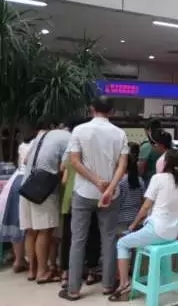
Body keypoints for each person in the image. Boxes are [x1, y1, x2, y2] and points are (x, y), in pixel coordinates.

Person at [59, 96, 129, 301]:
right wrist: (109, 188)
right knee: (109, 238)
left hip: (83, 192)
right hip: (111, 195)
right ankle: (108, 285)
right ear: (112, 111)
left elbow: (74, 161)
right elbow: (122, 165)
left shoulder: (79, 130)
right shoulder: (119, 133)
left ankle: (73, 289)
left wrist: (96, 181)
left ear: (91, 109)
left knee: (78, 239)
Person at [108, 149, 178, 301]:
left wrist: (133, 225)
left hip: (157, 230)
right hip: (172, 232)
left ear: (165, 163)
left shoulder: (158, 178)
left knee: (122, 243)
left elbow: (145, 207)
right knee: (137, 237)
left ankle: (124, 284)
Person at [19, 116, 69, 284]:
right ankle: (42, 272)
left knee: (30, 230)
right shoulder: (68, 137)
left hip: (27, 184)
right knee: (45, 230)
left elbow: (26, 160)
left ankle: (32, 271)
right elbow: (63, 167)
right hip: (44, 191)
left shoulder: (41, 136)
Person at [59, 118, 102, 289]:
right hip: (91, 196)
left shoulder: (70, 152)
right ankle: (91, 271)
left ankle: (66, 274)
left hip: (70, 199)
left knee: (69, 237)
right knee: (92, 234)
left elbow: (64, 179)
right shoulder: (96, 153)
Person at [0, 132, 35, 274]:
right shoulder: (38, 143)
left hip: (14, 182)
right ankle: (33, 264)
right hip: (29, 181)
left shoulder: (22, 145)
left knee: (16, 222)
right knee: (30, 226)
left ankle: (18, 260)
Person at [116, 143, 145, 234]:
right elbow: (143, 200)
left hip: (120, 220)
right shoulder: (139, 180)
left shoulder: (119, 182)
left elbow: (117, 203)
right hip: (136, 219)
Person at [137, 119, 162, 184]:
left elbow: (140, 170)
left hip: (149, 182)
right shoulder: (169, 144)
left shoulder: (146, 146)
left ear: (148, 130)